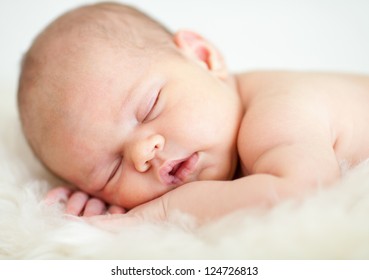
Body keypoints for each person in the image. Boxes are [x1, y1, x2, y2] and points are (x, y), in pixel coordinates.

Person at [18, 2, 369, 226]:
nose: (142, 154)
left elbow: (302, 194)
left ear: (203, 58)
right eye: (110, 171)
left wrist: (162, 213)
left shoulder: (277, 113)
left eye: (149, 108)